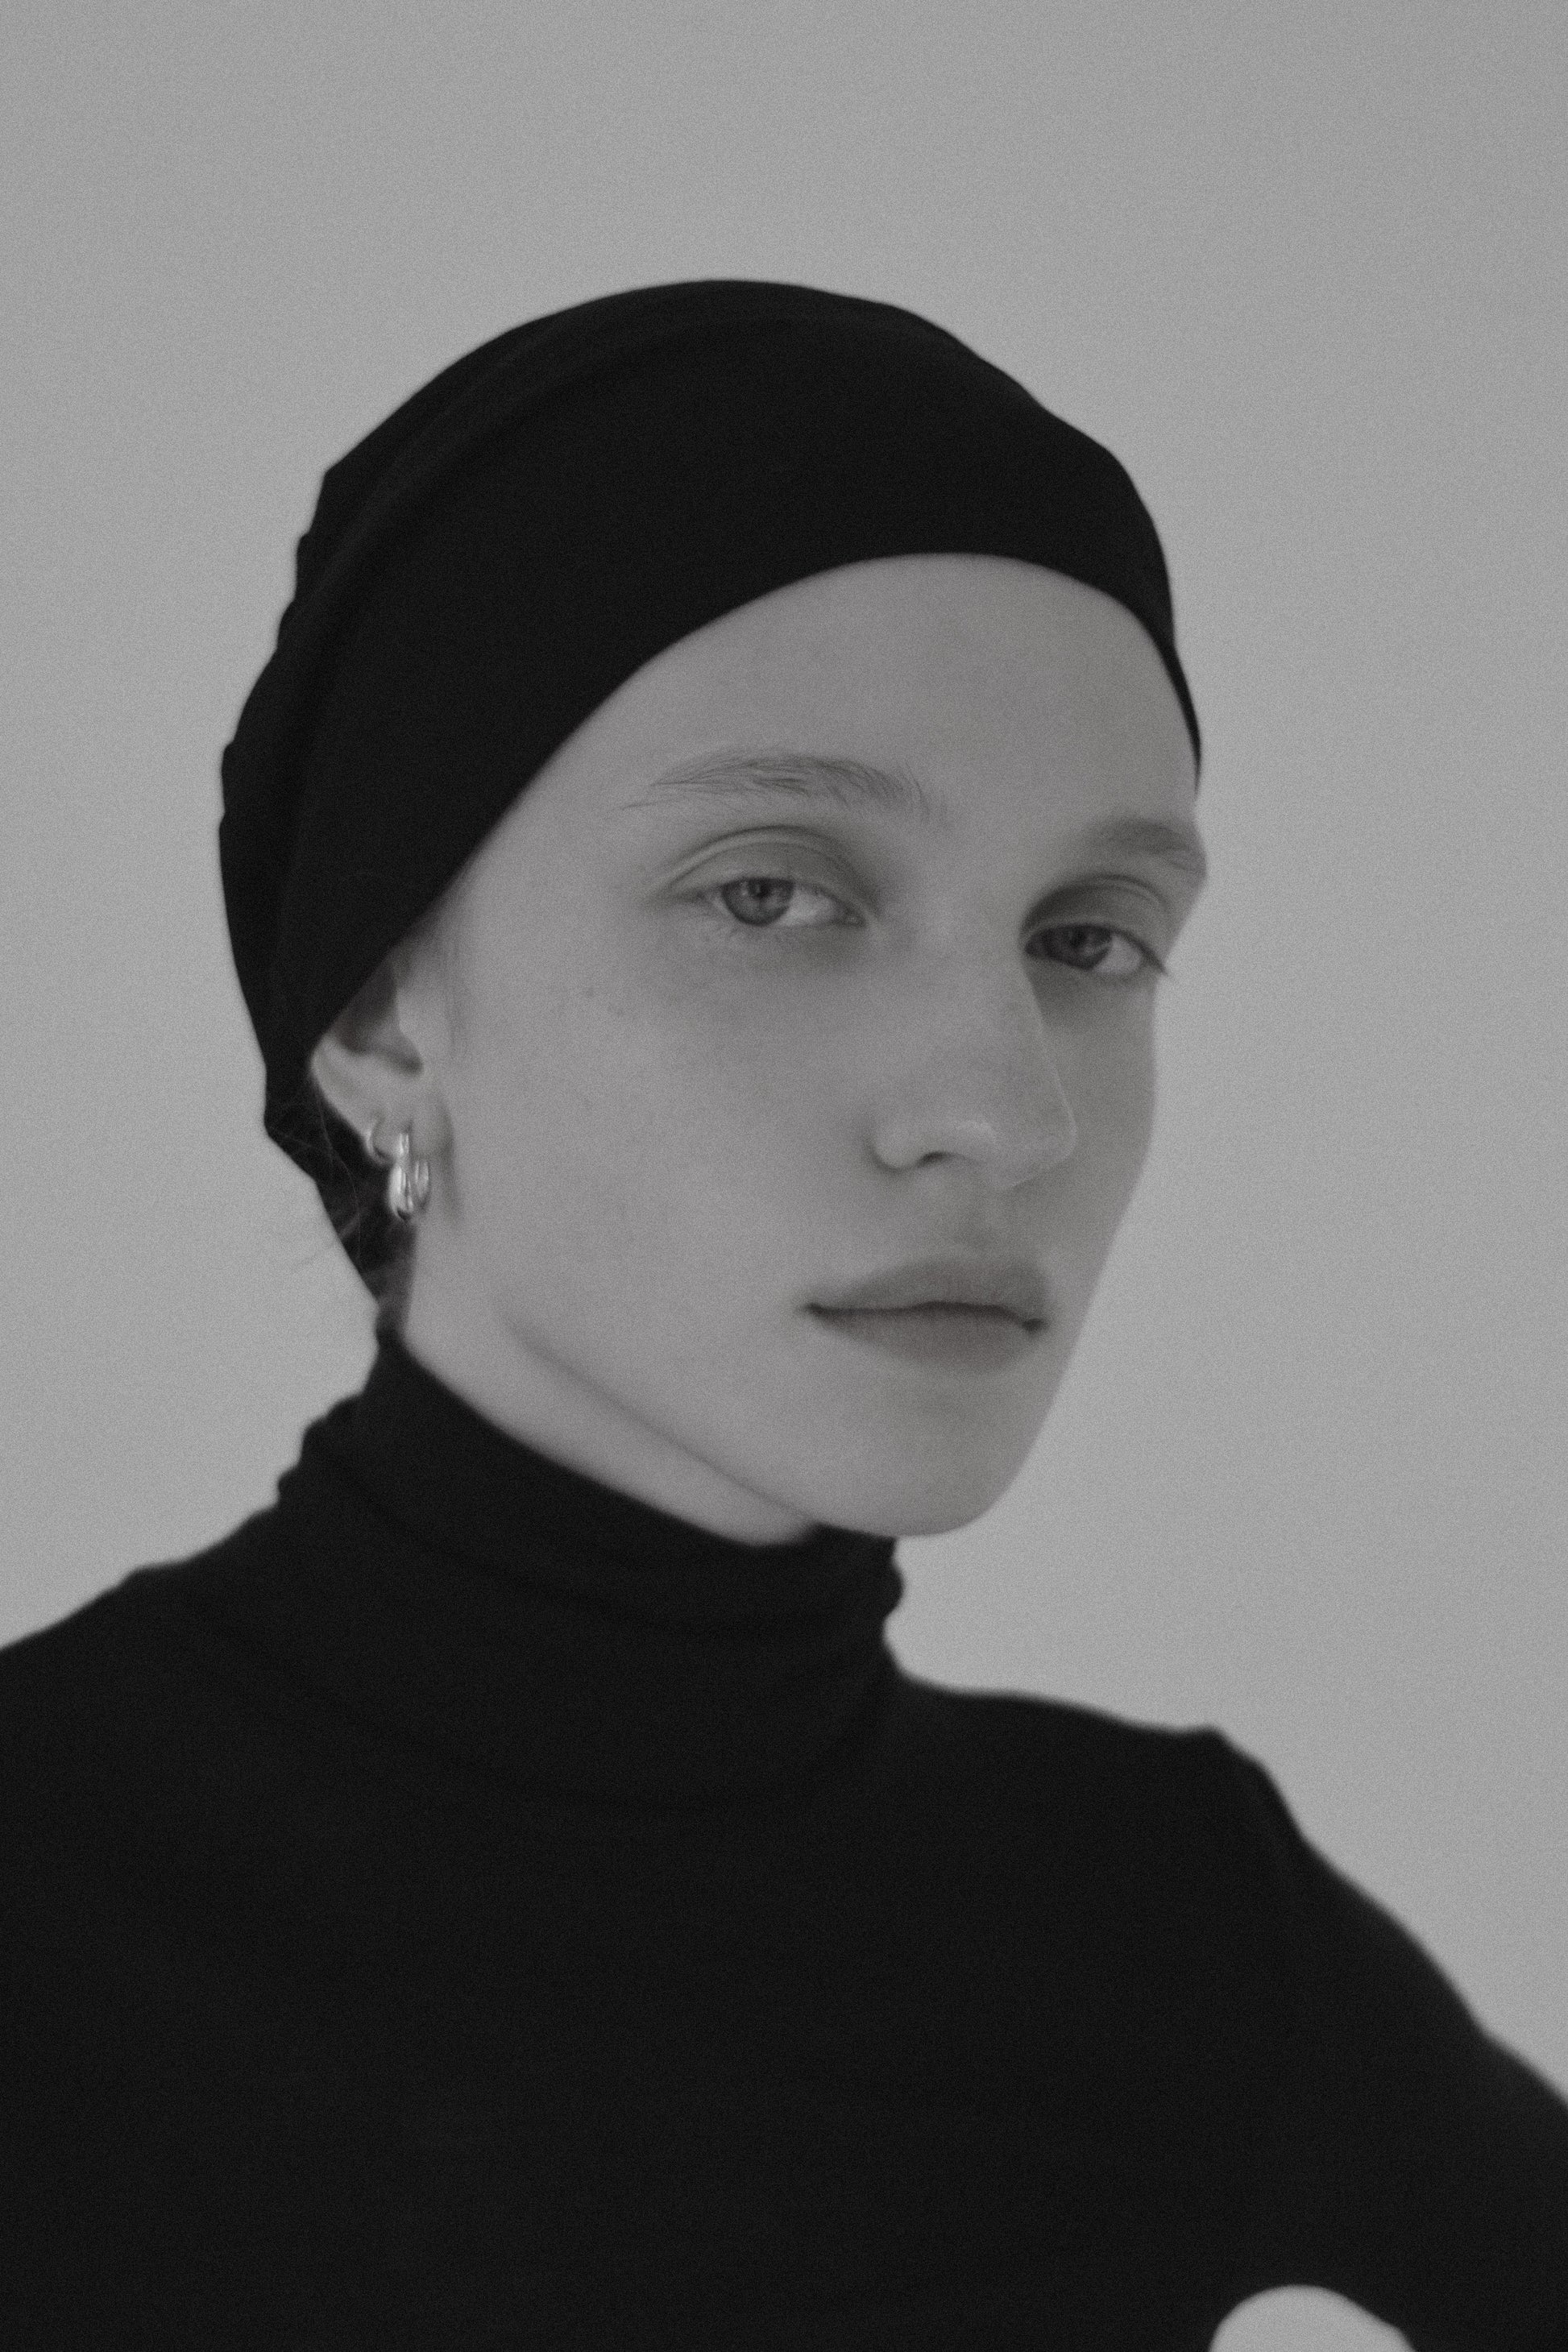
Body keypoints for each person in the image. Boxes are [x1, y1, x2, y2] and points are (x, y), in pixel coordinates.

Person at [2, 280, 1564, 2350]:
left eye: (1090, 934)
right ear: (378, 1016)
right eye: (771, 891)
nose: (1007, 1110)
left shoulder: (1183, 1940)